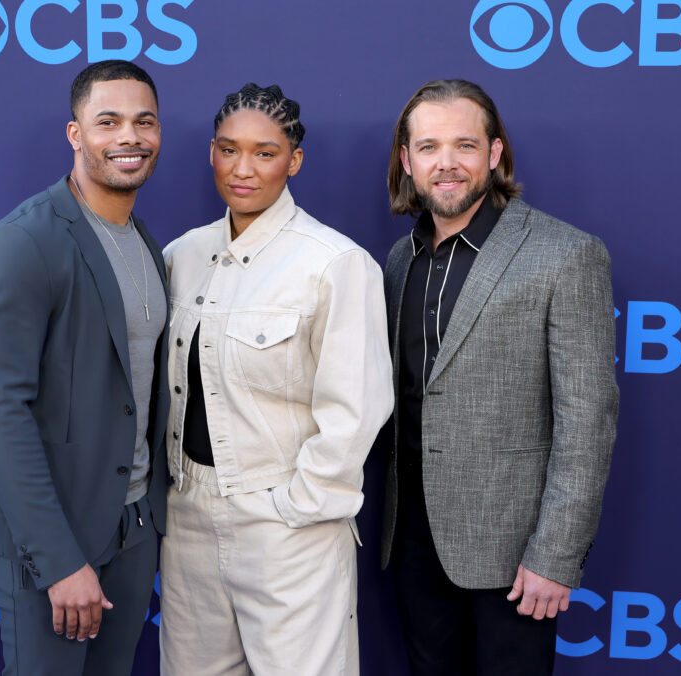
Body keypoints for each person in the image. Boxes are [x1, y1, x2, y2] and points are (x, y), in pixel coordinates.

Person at [380, 79, 619, 675]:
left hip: (514, 557)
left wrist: (555, 556)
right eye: (429, 147)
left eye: (465, 145)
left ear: (494, 153)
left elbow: (586, 421)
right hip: (411, 543)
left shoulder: (565, 255)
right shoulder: (396, 261)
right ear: (408, 162)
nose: (447, 163)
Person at [0, 60, 169, 676]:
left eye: (144, 121)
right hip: (53, 535)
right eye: (109, 121)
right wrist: (58, 559)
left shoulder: (144, 241)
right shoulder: (23, 242)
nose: (130, 137)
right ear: (76, 135)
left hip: (132, 523)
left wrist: (148, 522)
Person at [158, 83, 393, 676]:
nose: (243, 169)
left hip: (290, 527)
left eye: (265, 152)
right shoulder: (181, 255)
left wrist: (297, 508)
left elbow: (356, 408)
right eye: (228, 149)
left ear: (294, 160)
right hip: (187, 519)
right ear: (210, 152)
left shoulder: (334, 263)